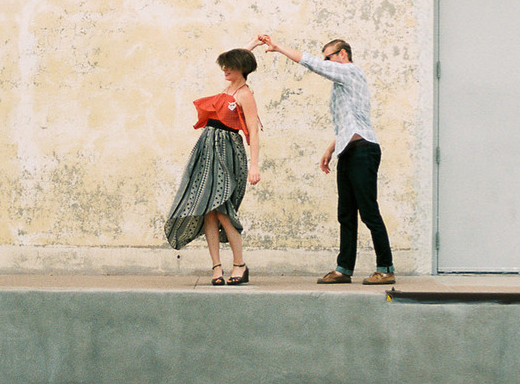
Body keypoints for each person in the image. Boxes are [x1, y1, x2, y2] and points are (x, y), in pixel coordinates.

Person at [255, 32, 393, 286]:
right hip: (349, 150)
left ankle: (385, 268)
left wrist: (279, 48)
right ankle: (344, 269)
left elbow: (312, 64)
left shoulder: (350, 72)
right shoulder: (343, 84)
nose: (326, 62)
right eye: (325, 58)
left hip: (364, 150)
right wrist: (331, 148)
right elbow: (351, 119)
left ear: (343, 54)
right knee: (346, 213)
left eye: (329, 57)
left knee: (369, 211)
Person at [165, 48, 266, 285]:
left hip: (227, 150)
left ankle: (240, 265)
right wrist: (251, 44)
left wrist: (254, 165)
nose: (225, 69)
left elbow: (253, 130)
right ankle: (216, 267)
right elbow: (239, 57)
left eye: (230, 66)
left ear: (242, 67)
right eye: (224, 65)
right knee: (208, 211)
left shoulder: (244, 94)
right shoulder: (229, 87)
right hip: (206, 148)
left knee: (222, 209)